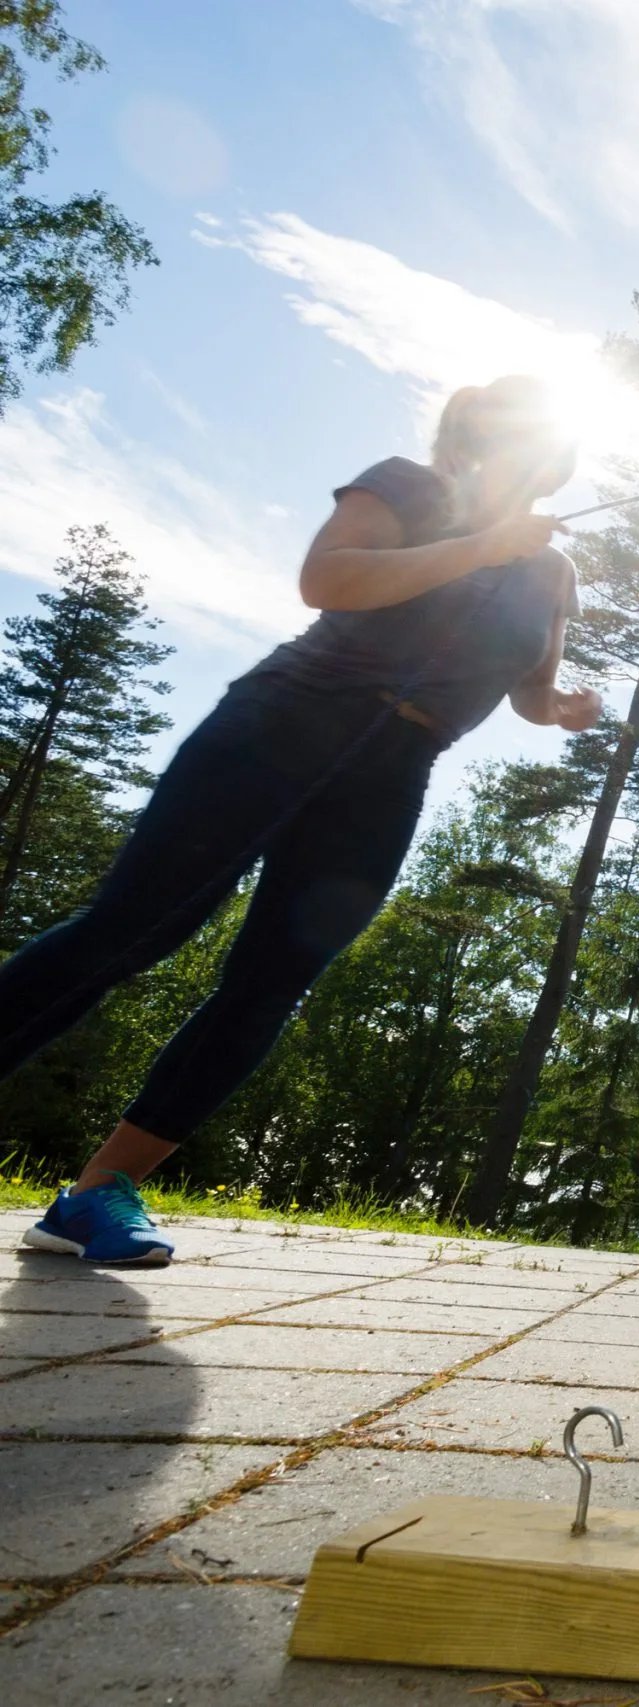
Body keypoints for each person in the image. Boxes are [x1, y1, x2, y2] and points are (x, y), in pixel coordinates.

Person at [13, 377, 601, 1268]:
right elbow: (326, 579)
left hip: (394, 771)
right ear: (479, 431)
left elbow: (527, 684)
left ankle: (96, 1193)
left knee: (271, 983)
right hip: (283, 722)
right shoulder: (406, 486)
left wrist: (561, 706)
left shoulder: (551, 568)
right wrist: (478, 545)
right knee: (132, 932)